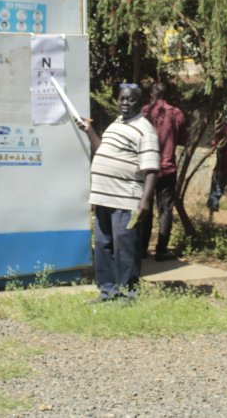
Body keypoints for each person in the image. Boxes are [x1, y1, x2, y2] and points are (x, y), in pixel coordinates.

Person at [78, 83, 160, 302]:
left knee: (125, 247)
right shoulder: (116, 124)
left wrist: (145, 201)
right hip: (103, 197)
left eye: (131, 99)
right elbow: (102, 149)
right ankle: (107, 291)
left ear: (140, 103)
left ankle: (128, 293)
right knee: (104, 245)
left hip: (126, 199)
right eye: (122, 99)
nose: (125, 103)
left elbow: (151, 169)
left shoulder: (145, 130)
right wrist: (89, 131)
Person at [137, 81, 187, 261]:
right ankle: (161, 249)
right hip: (167, 168)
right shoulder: (176, 114)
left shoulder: (143, 113)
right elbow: (182, 139)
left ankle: (141, 248)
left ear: (151, 94)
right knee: (165, 209)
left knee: (145, 206)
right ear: (167, 95)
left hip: (146, 167)